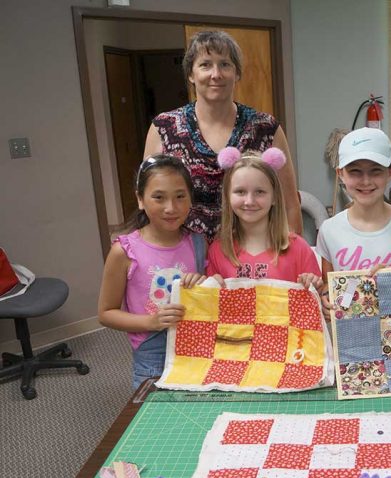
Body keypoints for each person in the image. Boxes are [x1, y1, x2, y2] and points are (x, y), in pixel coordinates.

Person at [143, 30, 302, 241]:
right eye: (205, 65)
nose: (215, 74)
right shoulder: (165, 127)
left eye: (225, 64)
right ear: (191, 74)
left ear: (237, 73)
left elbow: (289, 204)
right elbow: (150, 199)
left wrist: (290, 255)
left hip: (252, 256)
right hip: (187, 255)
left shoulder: (265, 127)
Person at [98, 155, 208, 389]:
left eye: (180, 197)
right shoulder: (124, 251)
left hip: (197, 350)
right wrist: (151, 321)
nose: (171, 207)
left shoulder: (199, 244)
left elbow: (209, 299)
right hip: (151, 359)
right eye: (159, 197)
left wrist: (203, 283)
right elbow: (106, 313)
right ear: (141, 199)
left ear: (190, 199)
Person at [316, 127, 391, 275]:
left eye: (375, 170)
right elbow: (329, 289)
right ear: (340, 174)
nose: (366, 181)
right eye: (355, 171)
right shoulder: (329, 231)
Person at [207, 148, 322, 291]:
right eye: (240, 192)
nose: (249, 201)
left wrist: (313, 284)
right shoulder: (218, 250)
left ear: (274, 197)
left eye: (259, 192)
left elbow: (316, 301)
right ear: (228, 196)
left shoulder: (299, 249)